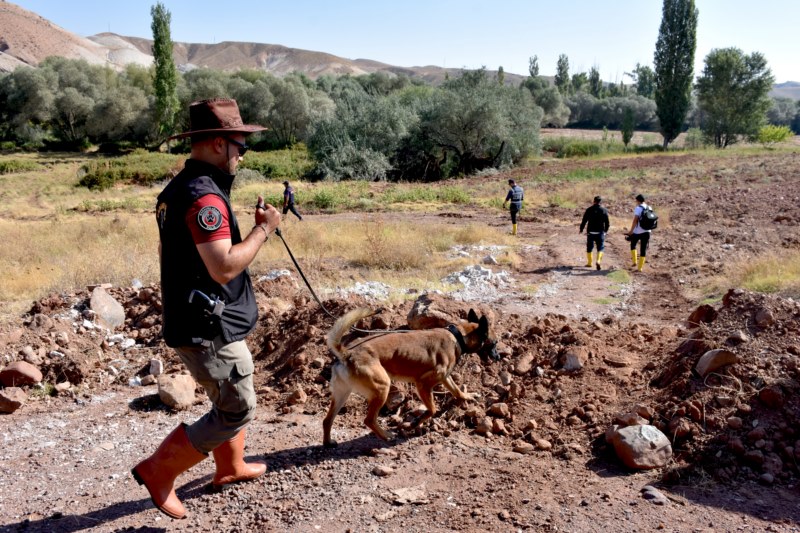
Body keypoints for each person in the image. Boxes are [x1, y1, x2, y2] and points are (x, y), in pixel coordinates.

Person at [133, 99, 281, 520]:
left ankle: (230, 466)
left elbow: (170, 250)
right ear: (219, 143)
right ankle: (158, 471)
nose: (242, 154)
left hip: (204, 318)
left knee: (236, 382)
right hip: (205, 326)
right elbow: (223, 266)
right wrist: (263, 229)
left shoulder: (178, 189)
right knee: (237, 407)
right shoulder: (204, 198)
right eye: (240, 146)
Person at [579, 195, 610, 270]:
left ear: (594, 201)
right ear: (600, 202)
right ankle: (598, 261)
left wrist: (581, 229)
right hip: (600, 232)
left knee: (589, 247)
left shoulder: (589, 210)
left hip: (590, 232)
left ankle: (589, 263)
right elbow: (607, 223)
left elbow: (584, 221)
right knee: (601, 247)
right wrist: (605, 231)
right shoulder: (604, 210)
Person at [625, 193, 651, 272]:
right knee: (643, 249)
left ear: (638, 200)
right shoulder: (649, 207)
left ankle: (635, 261)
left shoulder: (638, 208)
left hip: (638, 231)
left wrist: (631, 231)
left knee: (633, 245)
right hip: (647, 231)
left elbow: (635, 220)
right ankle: (640, 268)